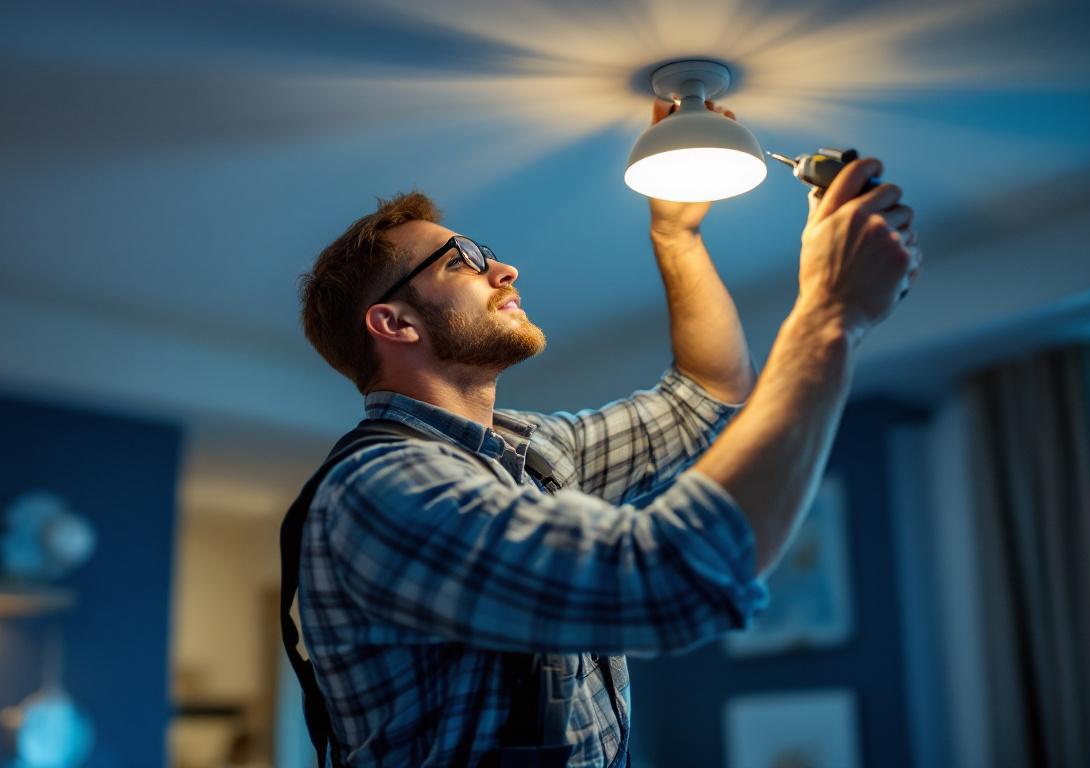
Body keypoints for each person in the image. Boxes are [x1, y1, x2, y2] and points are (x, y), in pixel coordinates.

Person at [291, 100, 920, 767]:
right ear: (395, 325)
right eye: (461, 260)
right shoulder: (379, 491)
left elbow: (705, 397)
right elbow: (663, 578)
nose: (503, 271)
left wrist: (676, 236)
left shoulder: (525, 457)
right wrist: (827, 318)